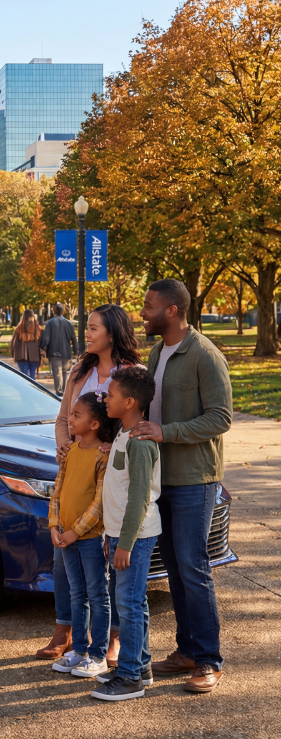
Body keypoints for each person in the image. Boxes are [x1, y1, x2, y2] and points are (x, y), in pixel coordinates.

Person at [132, 279, 232, 693]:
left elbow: (221, 417)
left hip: (195, 479)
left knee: (193, 567)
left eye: (149, 306)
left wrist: (165, 431)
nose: (143, 312)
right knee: (174, 567)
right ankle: (187, 651)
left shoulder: (205, 355)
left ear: (172, 311)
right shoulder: (157, 352)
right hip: (162, 479)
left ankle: (209, 660)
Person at [37, 303, 140, 663]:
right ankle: (65, 630)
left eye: (94, 328)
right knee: (64, 559)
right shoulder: (81, 369)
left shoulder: (132, 373)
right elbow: (64, 416)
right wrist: (63, 444)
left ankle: (110, 637)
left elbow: (136, 419)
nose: (87, 333)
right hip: (75, 465)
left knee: (105, 559)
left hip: (113, 472)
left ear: (112, 332)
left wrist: (115, 446)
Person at [91, 366, 161, 701]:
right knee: (134, 603)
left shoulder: (140, 444)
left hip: (137, 536)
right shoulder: (123, 433)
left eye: (112, 394)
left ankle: (131, 676)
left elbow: (139, 498)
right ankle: (141, 666)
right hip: (121, 535)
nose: (105, 398)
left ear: (130, 401)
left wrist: (126, 543)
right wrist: (111, 535)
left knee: (129, 604)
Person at [48, 391, 113, 679]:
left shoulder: (102, 457)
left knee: (97, 594)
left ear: (95, 424)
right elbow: (57, 492)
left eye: (76, 415)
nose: (69, 420)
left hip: (88, 539)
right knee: (77, 594)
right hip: (65, 537)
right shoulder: (69, 452)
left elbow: (99, 502)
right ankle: (80, 650)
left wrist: (76, 531)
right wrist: (54, 526)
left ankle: (98, 654)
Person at [41, 302, 78, 396]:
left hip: (53, 351)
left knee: (57, 372)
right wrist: (76, 351)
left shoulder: (50, 323)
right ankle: (64, 391)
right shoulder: (69, 323)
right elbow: (73, 338)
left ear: (53, 311)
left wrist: (43, 348)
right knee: (64, 371)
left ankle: (59, 392)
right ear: (63, 311)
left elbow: (46, 337)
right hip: (66, 351)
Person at [10, 309, 42, 380]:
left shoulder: (19, 328)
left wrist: (12, 353)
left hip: (21, 355)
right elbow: (41, 342)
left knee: (24, 376)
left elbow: (13, 342)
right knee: (32, 375)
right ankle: (32, 390)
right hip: (34, 355)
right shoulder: (37, 329)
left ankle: (25, 390)